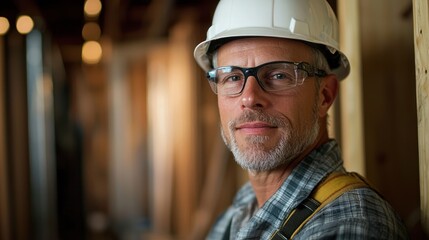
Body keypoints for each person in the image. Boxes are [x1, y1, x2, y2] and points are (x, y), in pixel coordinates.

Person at [193, 0, 409, 239]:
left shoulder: (348, 225)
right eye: (232, 77)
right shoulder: (236, 214)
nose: (249, 97)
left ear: (324, 96)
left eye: (278, 75)